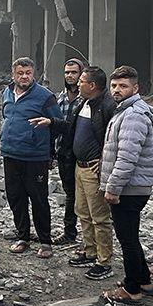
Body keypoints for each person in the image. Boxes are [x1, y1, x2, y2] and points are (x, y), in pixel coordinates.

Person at [36, 66, 116, 276]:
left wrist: (105, 160)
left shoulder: (107, 107)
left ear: (92, 85)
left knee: (99, 216)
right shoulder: (84, 103)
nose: (77, 83)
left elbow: (113, 139)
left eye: (81, 80)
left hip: (93, 168)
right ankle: (89, 251)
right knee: (83, 212)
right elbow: (70, 127)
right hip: (78, 166)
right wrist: (51, 122)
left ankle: (104, 260)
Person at [99, 66, 153, 302]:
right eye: (114, 86)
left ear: (135, 88)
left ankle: (132, 289)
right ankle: (142, 279)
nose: (117, 90)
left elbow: (127, 157)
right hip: (131, 186)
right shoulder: (125, 111)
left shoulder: (133, 115)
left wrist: (113, 188)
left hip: (129, 188)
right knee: (130, 235)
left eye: (123, 86)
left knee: (127, 238)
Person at [1, 57, 62, 257]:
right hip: (10, 153)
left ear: (33, 73)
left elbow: (59, 123)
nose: (24, 76)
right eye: (20, 73)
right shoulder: (7, 92)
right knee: (15, 197)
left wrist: (49, 151)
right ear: (13, 74)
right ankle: (23, 237)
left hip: (35, 157)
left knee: (38, 199)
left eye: (28, 73)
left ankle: (45, 242)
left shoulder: (45, 96)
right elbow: (6, 116)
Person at [55, 58, 87, 244]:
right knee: (70, 194)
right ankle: (69, 232)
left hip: (81, 154)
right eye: (67, 72)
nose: (69, 76)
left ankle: (85, 237)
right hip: (63, 153)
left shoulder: (87, 100)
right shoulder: (61, 97)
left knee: (83, 196)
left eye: (74, 72)